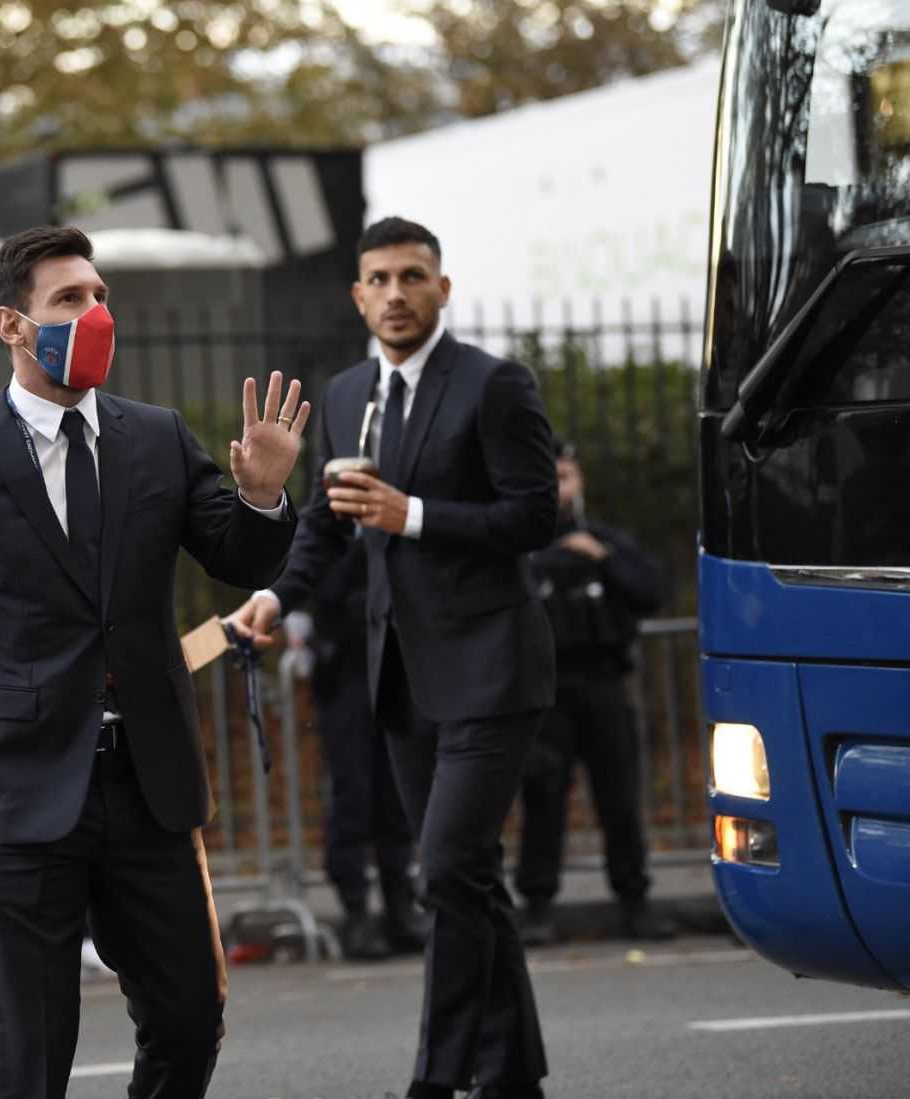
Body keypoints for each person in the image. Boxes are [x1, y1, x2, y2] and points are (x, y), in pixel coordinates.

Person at [0, 225, 309, 1099]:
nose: (95, 313)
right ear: (12, 324)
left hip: (149, 783)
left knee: (189, 1018)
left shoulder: (156, 437)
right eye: (70, 299)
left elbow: (237, 555)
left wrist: (263, 494)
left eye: (101, 295)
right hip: (23, 784)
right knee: (34, 1050)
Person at [226, 216, 558, 1099]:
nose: (396, 294)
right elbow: (325, 527)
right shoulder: (346, 396)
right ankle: (512, 1076)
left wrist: (412, 515)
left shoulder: (494, 385)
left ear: (441, 288)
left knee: (443, 870)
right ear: (358, 295)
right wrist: (275, 597)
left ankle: (435, 1081)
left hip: (491, 669)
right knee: (470, 879)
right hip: (402, 678)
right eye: (379, 279)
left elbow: (536, 515)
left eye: (413, 276)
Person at [515, 438, 674, 946]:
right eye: (550, 477)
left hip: (604, 684)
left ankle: (634, 901)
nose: (560, 488)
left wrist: (600, 557)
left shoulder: (604, 541)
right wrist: (556, 559)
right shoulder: (520, 546)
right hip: (547, 691)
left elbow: (651, 590)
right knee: (543, 798)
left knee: (619, 798)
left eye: (566, 476)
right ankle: (537, 905)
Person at [298, 535, 423, 961]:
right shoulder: (327, 535)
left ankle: (400, 906)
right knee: (352, 796)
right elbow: (322, 593)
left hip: (395, 673)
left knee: (395, 795)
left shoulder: (393, 529)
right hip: (345, 680)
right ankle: (356, 912)